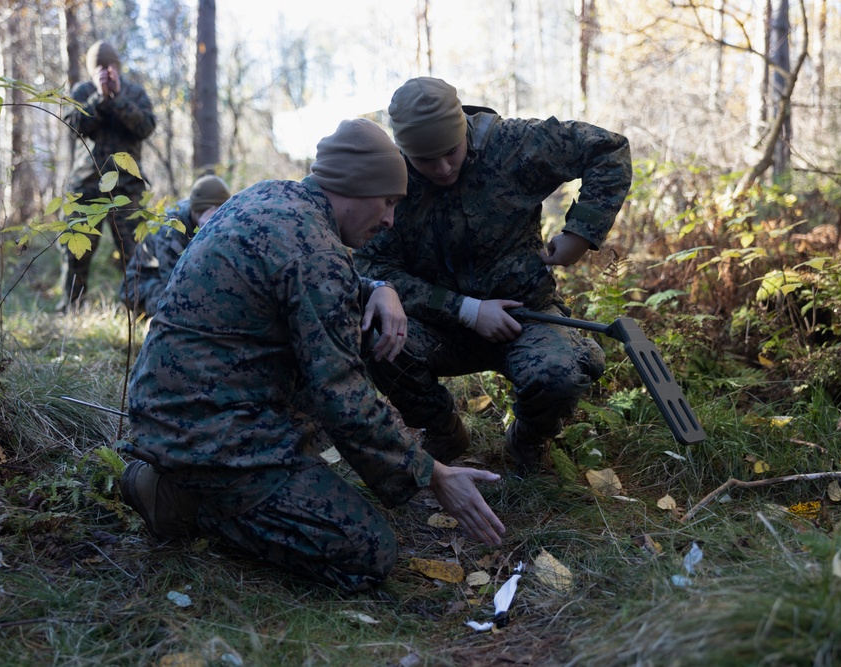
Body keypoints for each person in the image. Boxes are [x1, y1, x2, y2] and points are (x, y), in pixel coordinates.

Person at [120, 118, 505, 593]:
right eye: (387, 201)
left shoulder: (270, 198)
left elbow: (298, 280)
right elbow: (342, 393)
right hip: (209, 433)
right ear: (354, 187)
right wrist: (434, 475)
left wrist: (379, 288)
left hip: (180, 409)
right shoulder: (315, 250)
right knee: (368, 552)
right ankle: (177, 499)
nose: (390, 219)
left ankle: (203, 480)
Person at [354, 77, 633, 474]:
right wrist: (466, 310)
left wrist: (580, 233)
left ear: (462, 131)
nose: (442, 168)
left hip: (525, 317)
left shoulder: (513, 144)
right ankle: (444, 430)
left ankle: (529, 437)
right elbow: (374, 269)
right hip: (438, 326)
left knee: (561, 373)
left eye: (450, 152)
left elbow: (608, 150)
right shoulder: (388, 176)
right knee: (373, 335)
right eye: (425, 160)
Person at [58, 40, 156, 311]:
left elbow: (147, 127)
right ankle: (72, 309)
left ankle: (139, 310)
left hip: (127, 189)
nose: (105, 71)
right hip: (86, 186)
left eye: (110, 66)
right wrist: (99, 99)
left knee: (135, 254)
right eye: (99, 67)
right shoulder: (82, 91)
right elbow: (74, 126)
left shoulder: (135, 93)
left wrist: (118, 99)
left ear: (118, 66)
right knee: (77, 252)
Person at [119, 174, 231, 318]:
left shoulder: (222, 218)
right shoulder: (169, 228)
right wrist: (205, 235)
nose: (217, 220)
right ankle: (156, 324)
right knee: (180, 304)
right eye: (212, 215)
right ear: (197, 211)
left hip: (182, 280)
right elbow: (175, 285)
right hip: (142, 285)